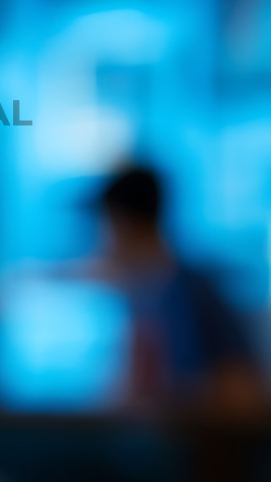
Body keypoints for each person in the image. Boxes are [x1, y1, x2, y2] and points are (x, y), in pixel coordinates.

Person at [102, 166, 264, 411]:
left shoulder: (187, 294)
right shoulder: (149, 292)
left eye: (106, 227)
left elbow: (239, 388)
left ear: (123, 224)